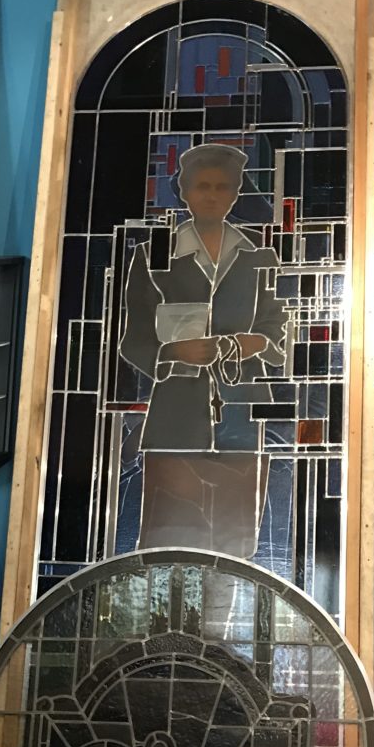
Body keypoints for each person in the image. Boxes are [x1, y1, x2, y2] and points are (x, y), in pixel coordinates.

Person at [120, 143, 287, 558]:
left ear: (235, 193)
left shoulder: (260, 254)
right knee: (166, 542)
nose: (212, 196)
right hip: (174, 419)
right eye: (202, 186)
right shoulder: (153, 254)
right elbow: (132, 338)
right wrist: (172, 353)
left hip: (243, 418)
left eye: (222, 187)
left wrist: (257, 342)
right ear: (185, 191)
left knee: (238, 545)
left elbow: (282, 324)